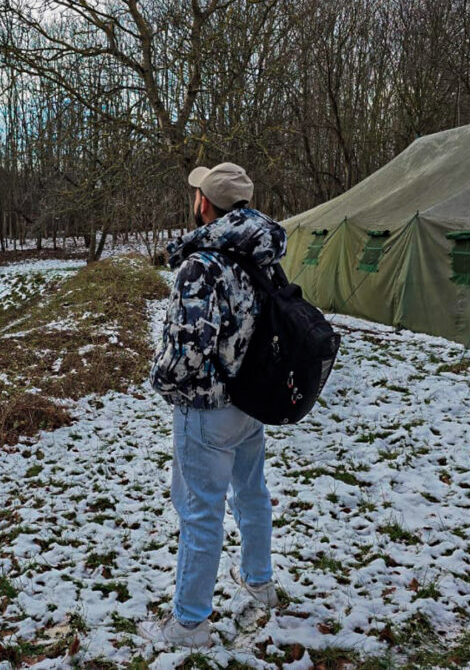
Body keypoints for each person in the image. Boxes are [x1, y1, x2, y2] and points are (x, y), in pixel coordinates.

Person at [138, 162, 288, 648]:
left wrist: (160, 380)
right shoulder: (262, 255)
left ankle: (189, 623)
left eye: (197, 195)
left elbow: (186, 351)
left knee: (200, 512)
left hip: (205, 408)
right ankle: (260, 583)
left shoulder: (201, 265)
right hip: (250, 401)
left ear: (205, 204)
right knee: (251, 493)